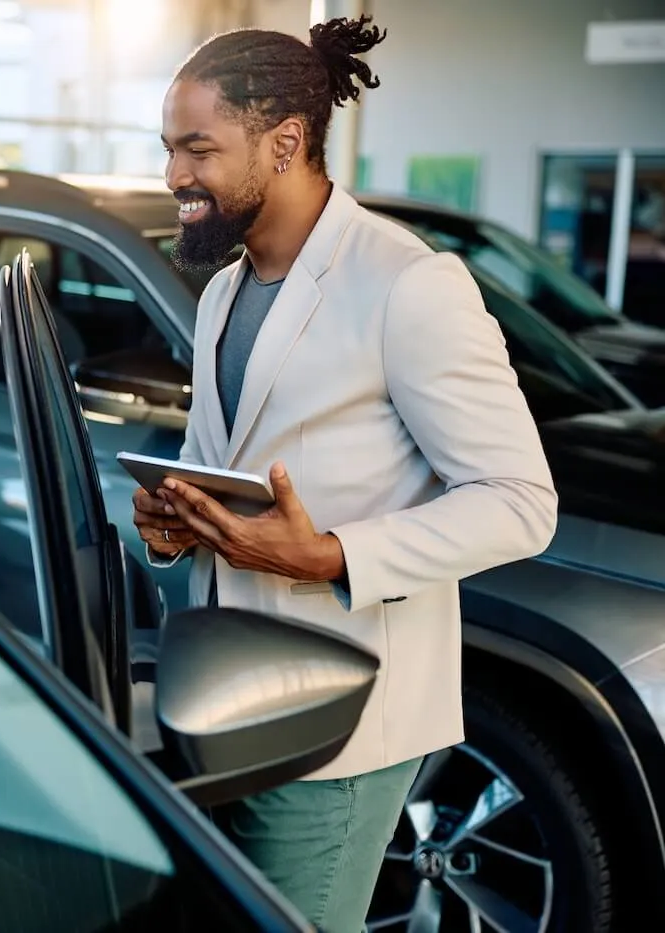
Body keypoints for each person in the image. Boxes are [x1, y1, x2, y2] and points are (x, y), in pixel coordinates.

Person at [132, 16, 558, 932]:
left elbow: (522, 504)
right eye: (169, 149)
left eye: (198, 148)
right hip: (223, 697)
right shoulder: (221, 291)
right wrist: (178, 519)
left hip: (344, 720)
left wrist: (329, 555)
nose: (174, 176)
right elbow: (224, 467)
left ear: (286, 140)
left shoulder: (409, 283)